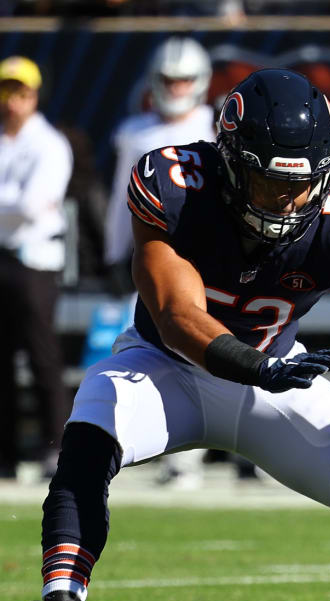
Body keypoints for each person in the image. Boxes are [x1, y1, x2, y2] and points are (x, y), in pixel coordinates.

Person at [9, 69, 330, 601]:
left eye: (302, 184)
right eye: (272, 182)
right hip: (166, 369)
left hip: (276, 375)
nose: (289, 202)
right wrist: (256, 367)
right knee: (91, 427)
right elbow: (176, 315)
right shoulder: (177, 187)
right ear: (233, 163)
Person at [103, 37, 216, 489]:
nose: (176, 87)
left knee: (202, 350)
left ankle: (190, 461)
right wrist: (114, 253)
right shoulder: (135, 132)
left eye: (184, 79)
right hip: (150, 255)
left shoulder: (218, 125)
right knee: (144, 352)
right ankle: (150, 448)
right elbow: (120, 200)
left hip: (204, 258)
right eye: (169, 79)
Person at [0, 55, 72, 480]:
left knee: (43, 354)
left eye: (21, 92)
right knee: (1, 360)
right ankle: (5, 452)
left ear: (34, 95)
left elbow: (32, 206)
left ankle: (56, 446)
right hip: (5, 255)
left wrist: (12, 203)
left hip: (36, 259)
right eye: (7, 91)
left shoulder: (49, 143)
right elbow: (21, 203)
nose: (13, 102)